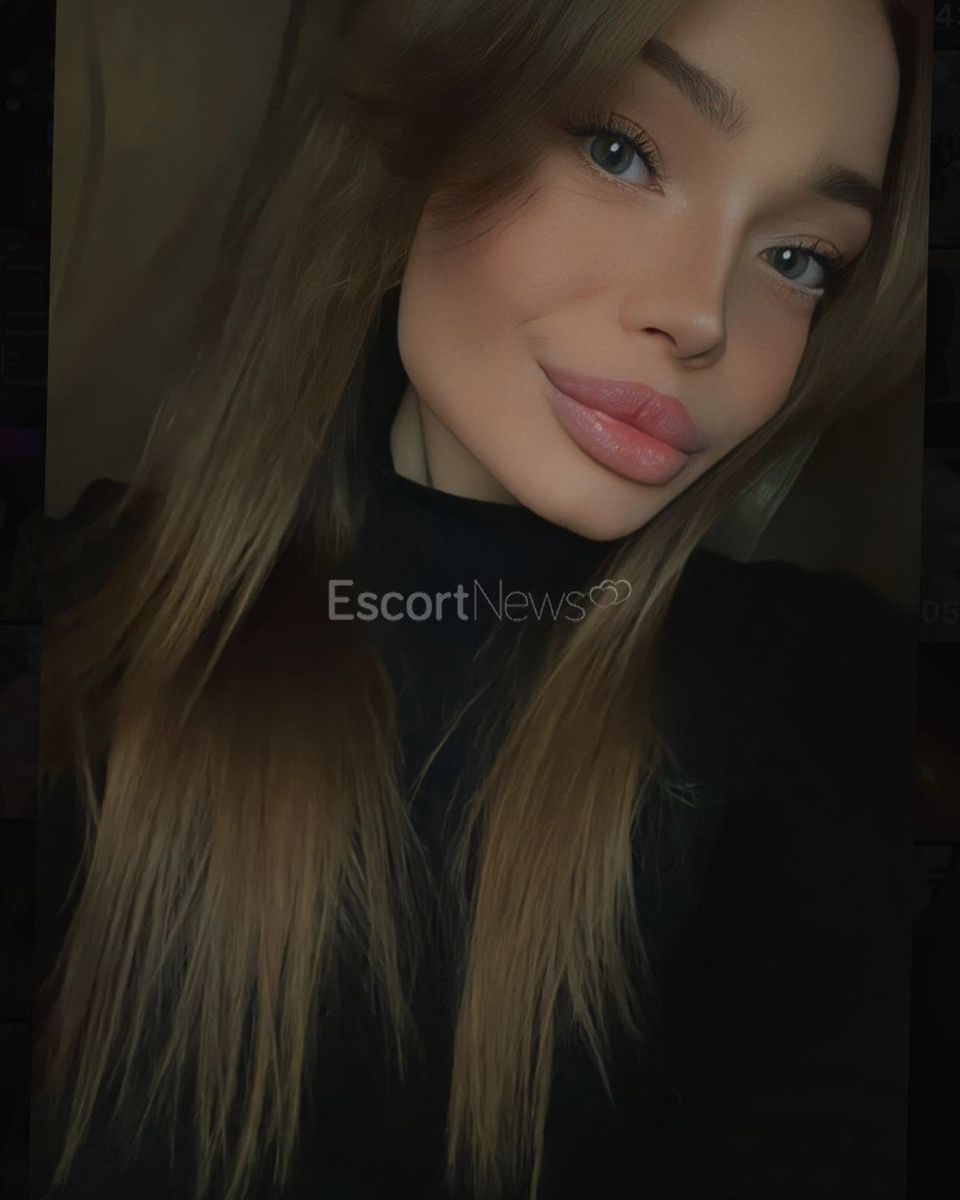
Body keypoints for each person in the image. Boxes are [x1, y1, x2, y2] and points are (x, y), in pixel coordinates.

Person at [33, 0, 928, 1198]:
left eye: (799, 258)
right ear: (431, 122)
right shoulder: (91, 599)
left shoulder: (815, 686)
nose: (703, 316)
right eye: (620, 149)